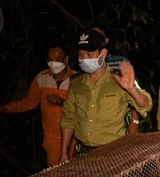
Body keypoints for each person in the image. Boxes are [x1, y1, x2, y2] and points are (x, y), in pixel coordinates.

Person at [59, 29, 152, 163]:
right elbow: (68, 119)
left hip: (113, 154)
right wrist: (64, 153)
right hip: (82, 153)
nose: (84, 59)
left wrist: (132, 90)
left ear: (103, 53)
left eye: (89, 54)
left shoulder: (120, 79)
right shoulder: (76, 84)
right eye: (81, 54)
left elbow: (146, 104)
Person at [0, 42, 76, 168]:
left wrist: (62, 102)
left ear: (66, 59)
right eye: (50, 60)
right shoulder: (42, 78)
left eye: (57, 59)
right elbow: (29, 102)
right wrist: (6, 107)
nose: (53, 63)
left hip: (74, 137)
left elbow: (83, 107)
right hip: (52, 139)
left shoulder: (77, 79)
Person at [84, 23, 142, 135]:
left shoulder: (119, 63)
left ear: (105, 41)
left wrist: (134, 121)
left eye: (95, 36)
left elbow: (137, 94)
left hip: (118, 130)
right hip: (90, 132)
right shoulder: (84, 65)